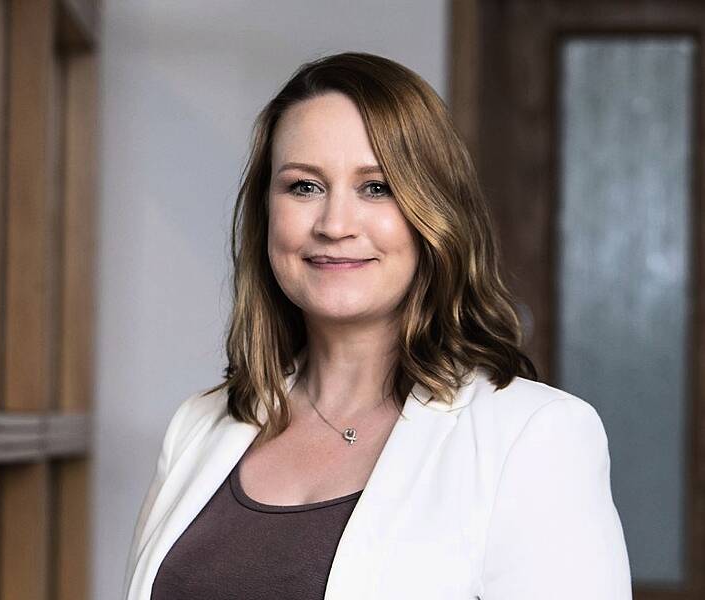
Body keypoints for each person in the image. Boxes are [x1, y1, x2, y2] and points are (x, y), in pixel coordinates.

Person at [122, 52, 632, 600]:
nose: (335, 225)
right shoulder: (197, 425)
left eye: (377, 187)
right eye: (304, 187)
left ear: (433, 212)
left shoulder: (537, 437)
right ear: (266, 212)